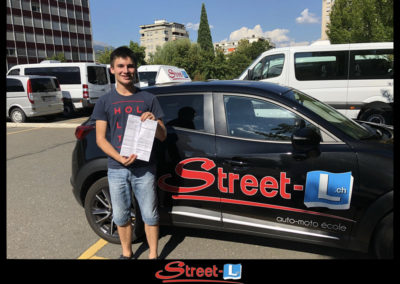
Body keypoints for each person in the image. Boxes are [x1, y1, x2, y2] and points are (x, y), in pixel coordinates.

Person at [92, 46, 167, 259]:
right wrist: (119, 158)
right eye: (121, 66)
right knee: (121, 215)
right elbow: (100, 139)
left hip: (144, 168)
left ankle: (153, 255)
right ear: (112, 69)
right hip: (116, 168)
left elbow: (163, 136)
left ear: (135, 69)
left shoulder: (148, 99)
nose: (126, 70)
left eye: (130, 65)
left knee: (150, 214)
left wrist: (155, 122)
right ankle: (127, 254)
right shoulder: (105, 102)